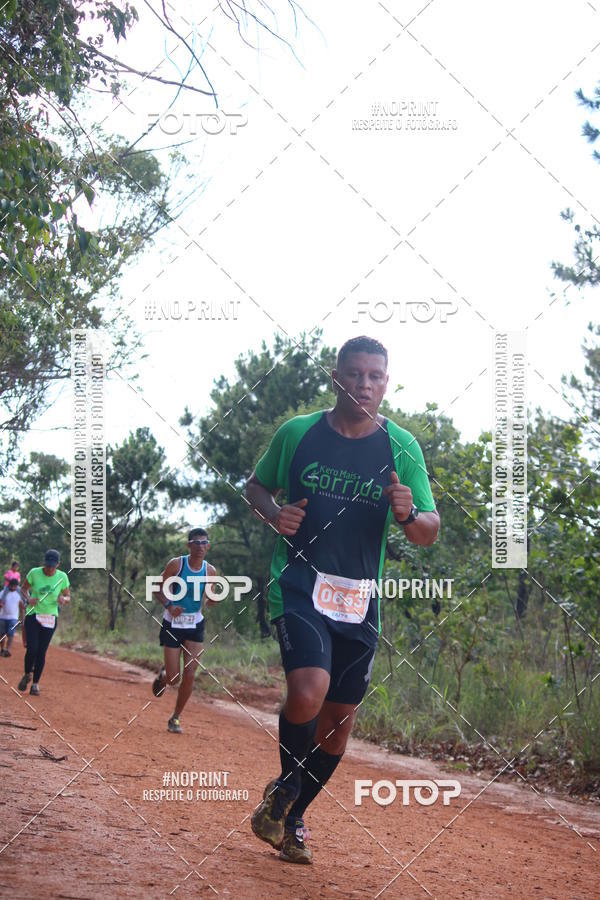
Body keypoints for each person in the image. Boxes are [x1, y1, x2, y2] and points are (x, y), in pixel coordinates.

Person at [246, 336, 440, 864]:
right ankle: (288, 793)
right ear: (336, 378)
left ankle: (289, 813)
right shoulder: (297, 433)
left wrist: (408, 514)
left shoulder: (401, 447)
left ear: (386, 381)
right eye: (354, 374)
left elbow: (428, 530)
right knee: (309, 690)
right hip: (300, 582)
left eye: (375, 376)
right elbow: (256, 487)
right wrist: (273, 513)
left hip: (359, 597)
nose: (364, 384)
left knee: (337, 727)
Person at [151, 527, 217, 734]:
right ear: (189, 545)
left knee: (190, 673)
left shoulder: (210, 571)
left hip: (195, 624)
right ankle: (163, 676)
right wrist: (170, 605)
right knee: (174, 678)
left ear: (208, 546)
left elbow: (209, 599)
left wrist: (212, 600)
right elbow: (157, 589)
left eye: (204, 543)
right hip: (173, 623)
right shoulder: (176, 565)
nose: (200, 547)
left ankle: (175, 717)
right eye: (196, 543)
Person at [18, 549, 70, 695]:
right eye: (47, 566)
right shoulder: (34, 573)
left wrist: (63, 600)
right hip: (33, 615)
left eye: (52, 566)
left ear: (58, 565)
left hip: (50, 618)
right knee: (32, 648)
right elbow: (23, 589)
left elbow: (68, 596)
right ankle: (27, 673)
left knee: (41, 651)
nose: (49, 569)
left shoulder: (62, 577)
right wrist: (29, 599)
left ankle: (35, 684)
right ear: (44, 563)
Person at [0, 578, 22, 656]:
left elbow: (21, 607)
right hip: (2, 617)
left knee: (10, 634)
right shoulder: (3, 593)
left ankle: (7, 650)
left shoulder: (19, 594)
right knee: (2, 634)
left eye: (14, 586)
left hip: (13, 617)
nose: (13, 588)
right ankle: (2, 649)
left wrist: (22, 619)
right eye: (12, 586)